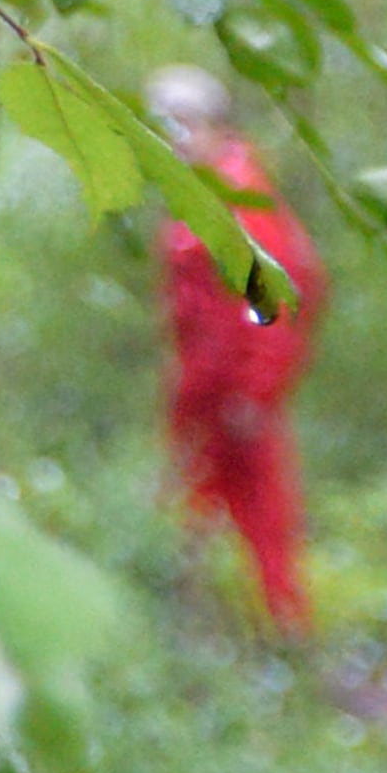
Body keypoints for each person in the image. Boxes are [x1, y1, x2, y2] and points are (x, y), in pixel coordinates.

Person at [147, 63, 327, 634]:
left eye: (183, 125)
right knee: (187, 516)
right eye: (163, 127)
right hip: (202, 392)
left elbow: (283, 295)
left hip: (237, 397)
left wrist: (256, 392)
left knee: (263, 518)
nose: (173, 141)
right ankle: (196, 635)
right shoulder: (197, 197)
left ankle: (283, 638)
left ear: (214, 126)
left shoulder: (242, 196)